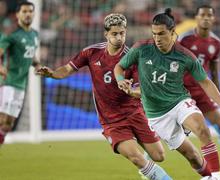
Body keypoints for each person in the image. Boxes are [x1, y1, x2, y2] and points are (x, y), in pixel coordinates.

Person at [36, 13, 172, 180]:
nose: (119, 37)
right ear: (106, 34)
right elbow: (67, 69)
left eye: (122, 33)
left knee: (159, 156)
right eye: (114, 33)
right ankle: (154, 173)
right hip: (111, 120)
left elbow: (142, 89)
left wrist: (130, 90)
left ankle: (147, 170)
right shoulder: (91, 53)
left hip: (134, 113)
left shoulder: (133, 58)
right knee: (136, 158)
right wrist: (53, 74)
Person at [114, 8, 220, 180]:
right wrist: (120, 79)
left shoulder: (184, 55)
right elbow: (119, 67)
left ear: (173, 32)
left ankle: (217, 177)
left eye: (161, 34)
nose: (157, 39)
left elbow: (206, 82)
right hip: (156, 114)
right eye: (154, 34)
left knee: (202, 130)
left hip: (179, 102)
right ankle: (206, 175)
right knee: (193, 157)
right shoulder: (141, 49)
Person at [178, 5, 220, 177]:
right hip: (182, 90)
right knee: (170, 128)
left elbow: (214, 74)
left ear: (214, 19)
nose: (206, 18)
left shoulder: (216, 43)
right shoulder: (184, 39)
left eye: (209, 15)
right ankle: (148, 159)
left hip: (202, 90)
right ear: (197, 17)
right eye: (203, 15)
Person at [0, 1, 40, 145]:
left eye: (30, 11)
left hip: (21, 84)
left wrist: (37, 65)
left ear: (34, 13)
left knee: (8, 123)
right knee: (2, 118)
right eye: (24, 11)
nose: (28, 14)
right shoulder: (11, 34)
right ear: (17, 15)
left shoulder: (35, 34)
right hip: (8, 81)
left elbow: (30, 55)